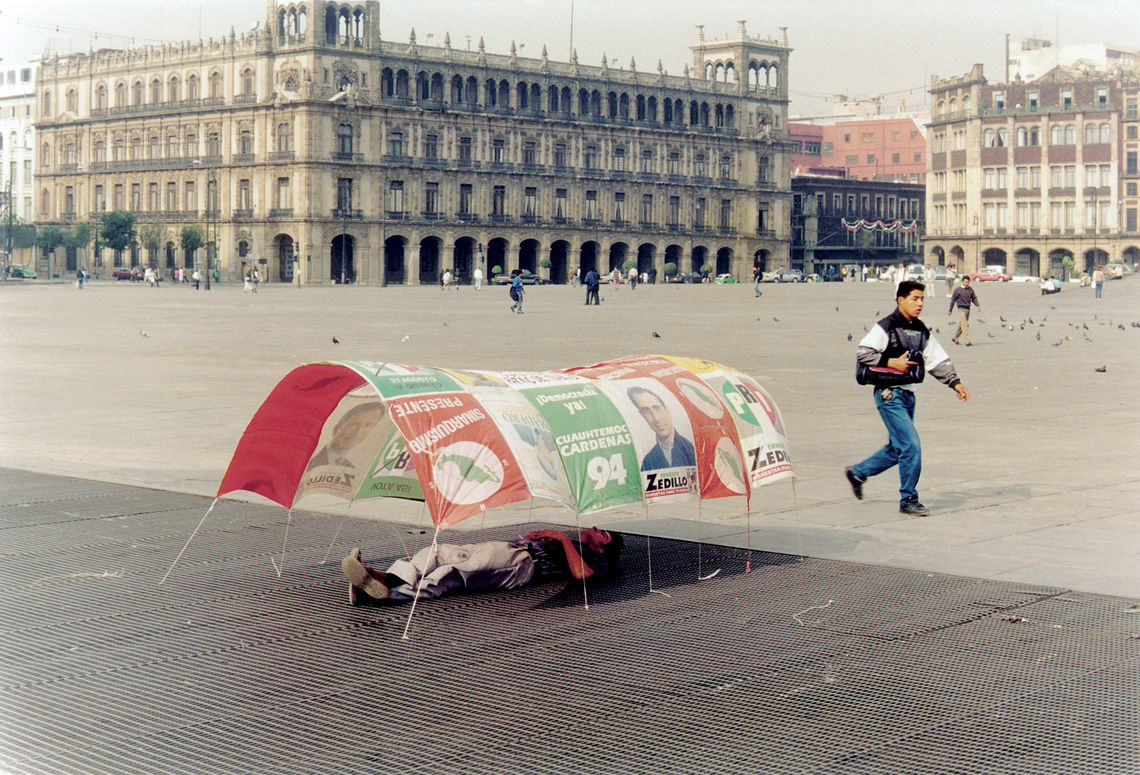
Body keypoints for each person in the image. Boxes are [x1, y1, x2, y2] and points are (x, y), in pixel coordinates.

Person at [845, 280, 970, 517]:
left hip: (907, 395)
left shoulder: (920, 329)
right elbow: (863, 352)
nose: (920, 303)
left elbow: (936, 359)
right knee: (911, 445)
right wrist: (892, 362)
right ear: (900, 300)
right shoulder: (886, 326)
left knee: (898, 448)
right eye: (915, 298)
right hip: (888, 394)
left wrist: (955, 382)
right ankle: (909, 499)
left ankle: (858, 472)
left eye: (922, 299)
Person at [341, 527, 624, 604]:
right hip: (513, 548)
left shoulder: (596, 559)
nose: (596, 528)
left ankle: (384, 592)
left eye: (604, 533)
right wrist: (538, 537)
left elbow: (582, 574)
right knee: (438, 552)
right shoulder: (576, 542)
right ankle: (379, 578)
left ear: (604, 546)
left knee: (451, 575)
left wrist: (561, 539)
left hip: (522, 565)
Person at [627, 385, 696, 471]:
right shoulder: (648, 461)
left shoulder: (692, 449)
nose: (656, 418)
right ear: (642, 416)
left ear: (667, 410)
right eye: (647, 411)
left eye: (657, 408)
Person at [306, 402, 387, 471]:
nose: (358, 432)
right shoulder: (311, 463)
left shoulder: (351, 468)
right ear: (337, 428)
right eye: (354, 424)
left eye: (368, 426)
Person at [948, 275, 981, 346]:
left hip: (968, 309)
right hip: (960, 309)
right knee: (965, 325)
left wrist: (977, 305)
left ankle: (955, 338)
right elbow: (953, 301)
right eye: (966, 282)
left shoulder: (970, 289)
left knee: (962, 325)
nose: (967, 284)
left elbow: (974, 298)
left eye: (968, 282)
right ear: (962, 281)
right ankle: (967, 341)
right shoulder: (957, 290)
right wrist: (950, 310)